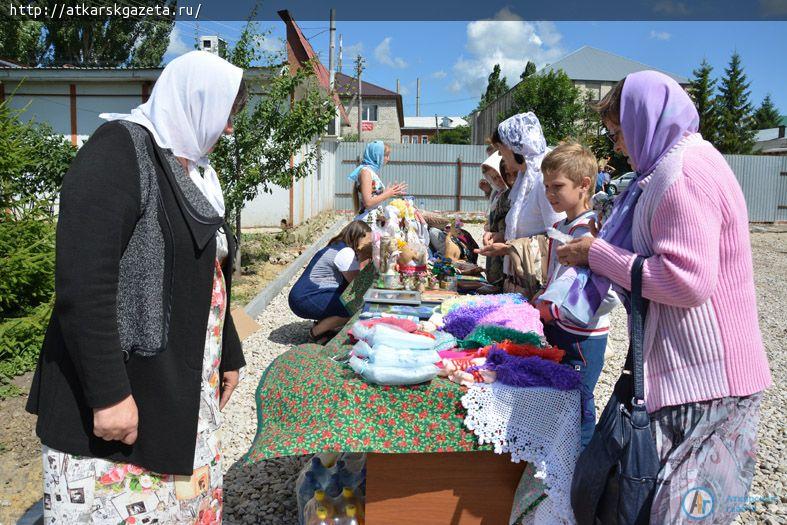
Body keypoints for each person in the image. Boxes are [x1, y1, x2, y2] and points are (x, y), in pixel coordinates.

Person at [26, 51, 247, 523]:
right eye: (226, 115)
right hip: (124, 393)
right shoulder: (118, 150)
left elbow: (208, 271)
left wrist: (228, 350)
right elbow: (84, 282)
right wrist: (107, 395)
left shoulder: (195, 172)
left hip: (183, 383)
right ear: (192, 100)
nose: (230, 130)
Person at [557, 70, 772, 523]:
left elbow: (686, 281)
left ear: (644, 120)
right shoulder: (667, 170)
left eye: (619, 132)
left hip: (713, 383)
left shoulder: (684, 173)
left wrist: (599, 255)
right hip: (693, 376)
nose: (618, 145)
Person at [532, 143, 618, 448]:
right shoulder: (561, 225)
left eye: (557, 186)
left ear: (584, 185)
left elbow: (605, 293)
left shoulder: (592, 231)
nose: (550, 194)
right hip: (559, 328)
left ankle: (582, 469)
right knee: (561, 402)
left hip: (584, 336)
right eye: (546, 187)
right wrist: (544, 297)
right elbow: (558, 276)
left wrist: (556, 309)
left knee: (579, 404)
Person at [476, 112, 564, 297]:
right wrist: (501, 236)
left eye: (501, 149)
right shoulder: (524, 180)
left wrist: (509, 248)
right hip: (521, 282)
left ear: (515, 148)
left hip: (539, 288)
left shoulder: (543, 180)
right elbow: (526, 227)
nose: (500, 156)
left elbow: (560, 238)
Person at [288, 221, 372, 343]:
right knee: (354, 306)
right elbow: (357, 285)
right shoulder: (346, 252)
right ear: (360, 235)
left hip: (304, 295)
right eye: (368, 240)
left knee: (347, 299)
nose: (369, 244)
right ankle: (316, 333)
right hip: (305, 298)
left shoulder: (338, 246)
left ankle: (324, 325)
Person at [348, 141, 407, 220]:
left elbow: (374, 196)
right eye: (386, 155)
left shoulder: (371, 172)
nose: (388, 158)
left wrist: (390, 191)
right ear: (377, 155)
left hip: (373, 219)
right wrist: (387, 194)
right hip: (367, 222)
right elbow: (368, 202)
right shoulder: (366, 172)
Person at [480, 151, 510, 290]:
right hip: (494, 240)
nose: (497, 181)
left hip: (504, 243)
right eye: (493, 178)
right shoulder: (497, 193)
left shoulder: (510, 194)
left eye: (499, 176)